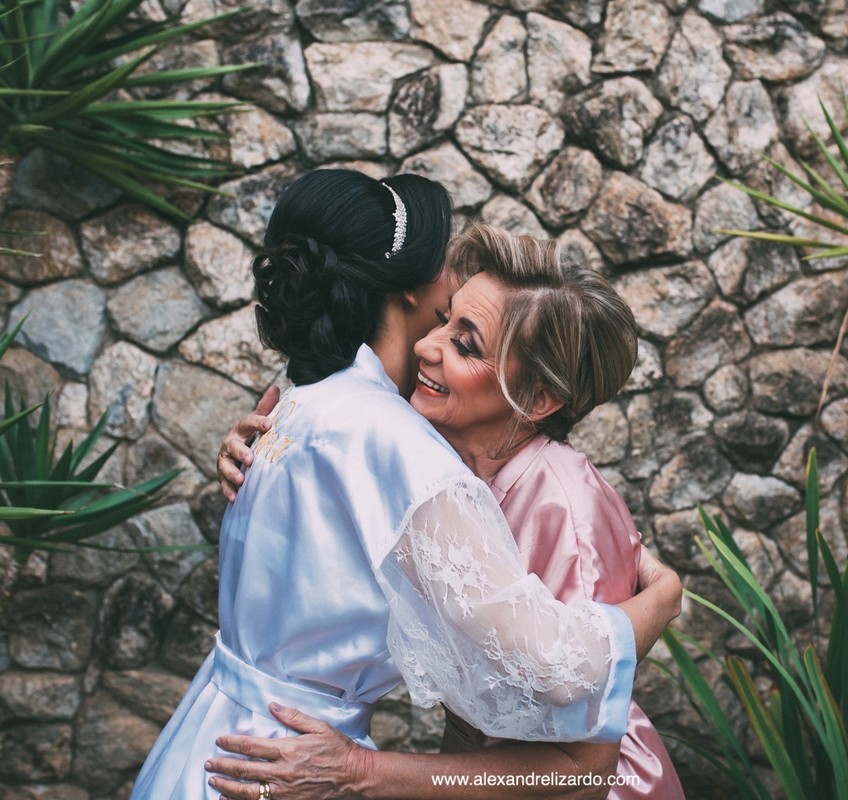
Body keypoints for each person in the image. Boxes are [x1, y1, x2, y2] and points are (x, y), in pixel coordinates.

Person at [130, 171, 681, 799]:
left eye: (463, 340)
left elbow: (577, 768)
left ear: (536, 397)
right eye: (443, 320)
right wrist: (661, 598)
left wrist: (662, 597)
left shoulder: (553, 502)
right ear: (412, 291)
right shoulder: (383, 438)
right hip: (278, 759)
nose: (429, 346)